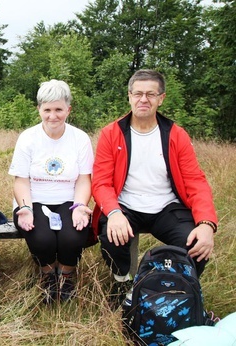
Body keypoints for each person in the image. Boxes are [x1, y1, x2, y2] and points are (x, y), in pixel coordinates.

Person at [91, 69, 217, 306]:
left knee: (194, 244)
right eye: (137, 93)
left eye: (151, 94)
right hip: (126, 204)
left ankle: (172, 293)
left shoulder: (176, 135)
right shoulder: (112, 133)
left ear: (161, 98)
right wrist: (114, 212)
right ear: (129, 96)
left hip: (166, 206)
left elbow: (196, 181)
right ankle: (122, 283)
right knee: (111, 234)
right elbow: (101, 182)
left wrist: (207, 223)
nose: (143, 99)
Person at [8, 80, 94, 304]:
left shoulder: (80, 138)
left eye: (58, 109)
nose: (52, 116)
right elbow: (21, 180)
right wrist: (25, 208)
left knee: (73, 236)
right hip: (34, 199)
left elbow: (84, 180)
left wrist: (79, 206)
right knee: (43, 239)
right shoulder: (28, 138)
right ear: (39, 110)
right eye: (47, 110)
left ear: (68, 110)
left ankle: (66, 275)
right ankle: (47, 276)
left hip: (68, 199)